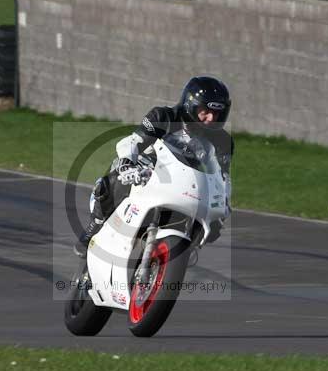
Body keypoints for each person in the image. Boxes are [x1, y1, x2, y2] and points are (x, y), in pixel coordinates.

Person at [74, 75, 234, 257]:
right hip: (147, 173)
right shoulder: (163, 116)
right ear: (191, 105)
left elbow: (223, 177)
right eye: (205, 111)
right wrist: (127, 163)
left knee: (213, 228)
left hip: (187, 187)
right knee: (114, 179)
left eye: (217, 113)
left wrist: (225, 202)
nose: (211, 118)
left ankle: (180, 254)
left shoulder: (223, 141)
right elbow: (132, 143)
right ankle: (94, 227)